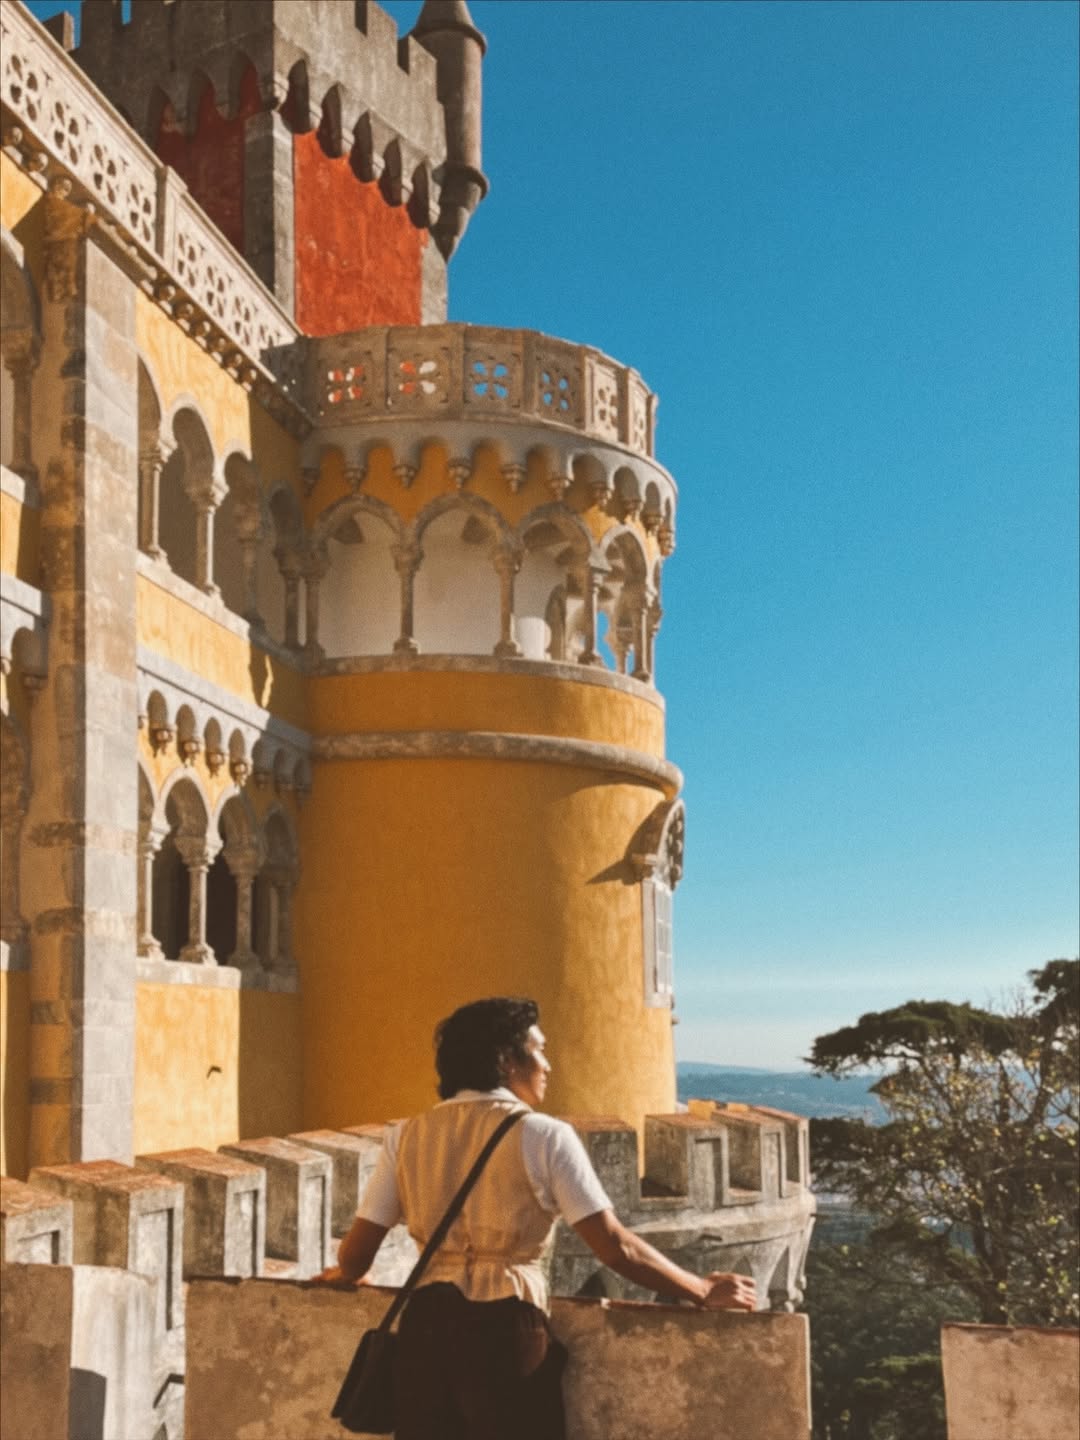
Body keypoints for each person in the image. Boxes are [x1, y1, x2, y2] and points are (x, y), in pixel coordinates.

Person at [320, 997, 756, 1440]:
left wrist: (345, 1273)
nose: (547, 1065)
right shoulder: (543, 1135)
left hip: (425, 1329)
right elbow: (613, 1246)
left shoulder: (405, 1137)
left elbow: (355, 1257)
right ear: (507, 1061)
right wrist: (701, 1289)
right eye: (539, 1050)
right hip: (505, 1327)